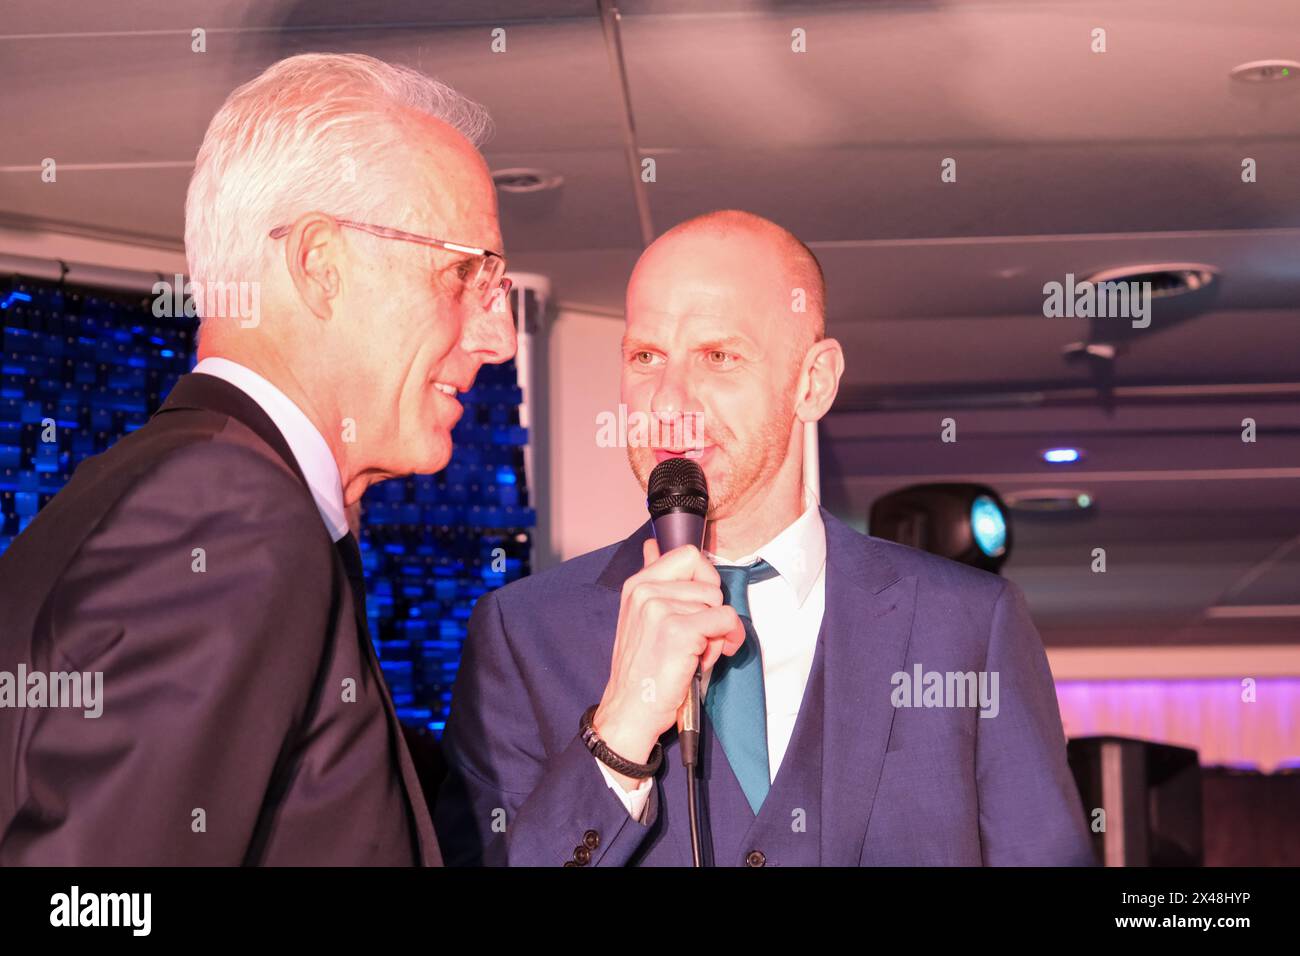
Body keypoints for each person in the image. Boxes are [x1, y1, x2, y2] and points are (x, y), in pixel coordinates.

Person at [435, 209, 1095, 866]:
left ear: (813, 382)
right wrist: (621, 731)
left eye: (718, 357)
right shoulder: (522, 634)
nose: (667, 404)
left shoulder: (967, 624)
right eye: (645, 357)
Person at [0, 52, 516, 865]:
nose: (500, 337)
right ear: (321, 265)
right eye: (464, 275)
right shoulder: (229, 511)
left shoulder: (182, 490)